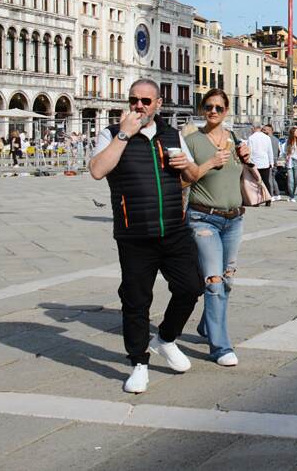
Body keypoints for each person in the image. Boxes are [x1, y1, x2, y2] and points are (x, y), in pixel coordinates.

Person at [88, 78, 205, 394]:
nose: (138, 106)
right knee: (136, 300)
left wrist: (186, 166)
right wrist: (124, 134)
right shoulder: (111, 134)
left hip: (174, 230)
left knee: (191, 287)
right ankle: (139, 363)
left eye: (145, 101)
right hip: (134, 233)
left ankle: (165, 339)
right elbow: (98, 170)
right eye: (134, 100)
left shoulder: (171, 134)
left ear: (158, 104)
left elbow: (193, 176)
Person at [183, 88, 251, 367]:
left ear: (226, 111)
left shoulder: (234, 139)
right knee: (213, 282)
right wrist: (211, 162)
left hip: (234, 218)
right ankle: (220, 347)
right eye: (208, 107)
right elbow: (183, 181)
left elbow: (239, 176)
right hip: (203, 219)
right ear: (202, 109)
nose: (213, 111)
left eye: (218, 108)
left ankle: (206, 325)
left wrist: (245, 157)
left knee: (227, 280)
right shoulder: (191, 141)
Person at [245, 123, 275, 203]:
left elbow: (249, 151)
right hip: (265, 162)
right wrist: (271, 162)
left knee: (255, 182)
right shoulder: (267, 138)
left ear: (253, 128)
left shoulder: (251, 138)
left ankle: (257, 200)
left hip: (255, 163)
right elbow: (270, 151)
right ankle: (268, 199)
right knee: (266, 181)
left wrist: (248, 162)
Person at [283, 127, 297, 202]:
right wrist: (286, 157)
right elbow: (285, 151)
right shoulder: (288, 141)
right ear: (293, 133)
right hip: (290, 161)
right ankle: (292, 195)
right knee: (290, 180)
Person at [262, 124, 282, 200]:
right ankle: (277, 193)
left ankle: (271, 194)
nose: (262, 131)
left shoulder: (266, 139)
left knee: (269, 178)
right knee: (273, 178)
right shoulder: (277, 140)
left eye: (264, 130)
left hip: (269, 161)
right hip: (275, 160)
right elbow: (279, 151)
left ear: (269, 130)